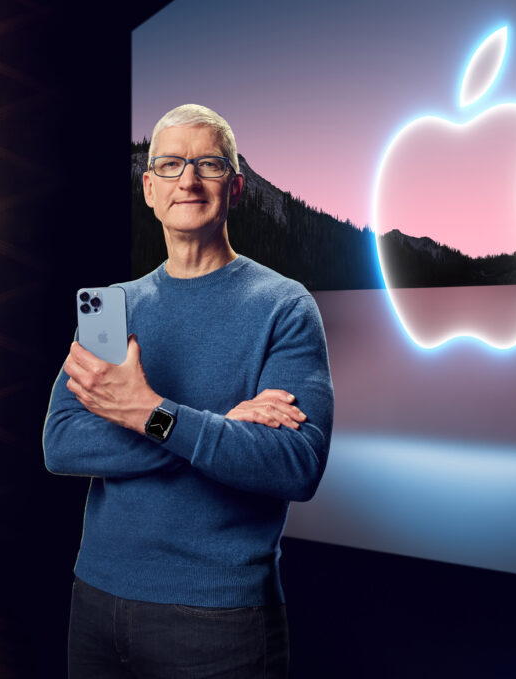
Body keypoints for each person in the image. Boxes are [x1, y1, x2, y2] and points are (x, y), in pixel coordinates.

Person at [42, 103, 334, 679]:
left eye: (209, 165)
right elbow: (62, 444)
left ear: (237, 186)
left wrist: (150, 413)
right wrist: (220, 424)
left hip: (220, 617)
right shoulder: (112, 308)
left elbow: (295, 464)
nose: (189, 181)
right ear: (149, 188)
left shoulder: (285, 307)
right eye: (170, 165)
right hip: (96, 598)